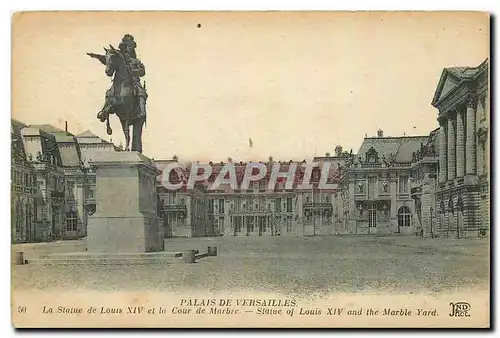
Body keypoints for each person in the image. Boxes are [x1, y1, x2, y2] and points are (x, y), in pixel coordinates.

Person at [97, 34, 148, 122]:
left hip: (134, 82)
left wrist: (133, 71)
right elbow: (110, 61)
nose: (129, 48)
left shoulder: (136, 61)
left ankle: (141, 111)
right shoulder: (119, 58)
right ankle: (104, 111)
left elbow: (142, 71)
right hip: (118, 81)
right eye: (127, 46)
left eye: (131, 46)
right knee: (109, 93)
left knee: (141, 92)